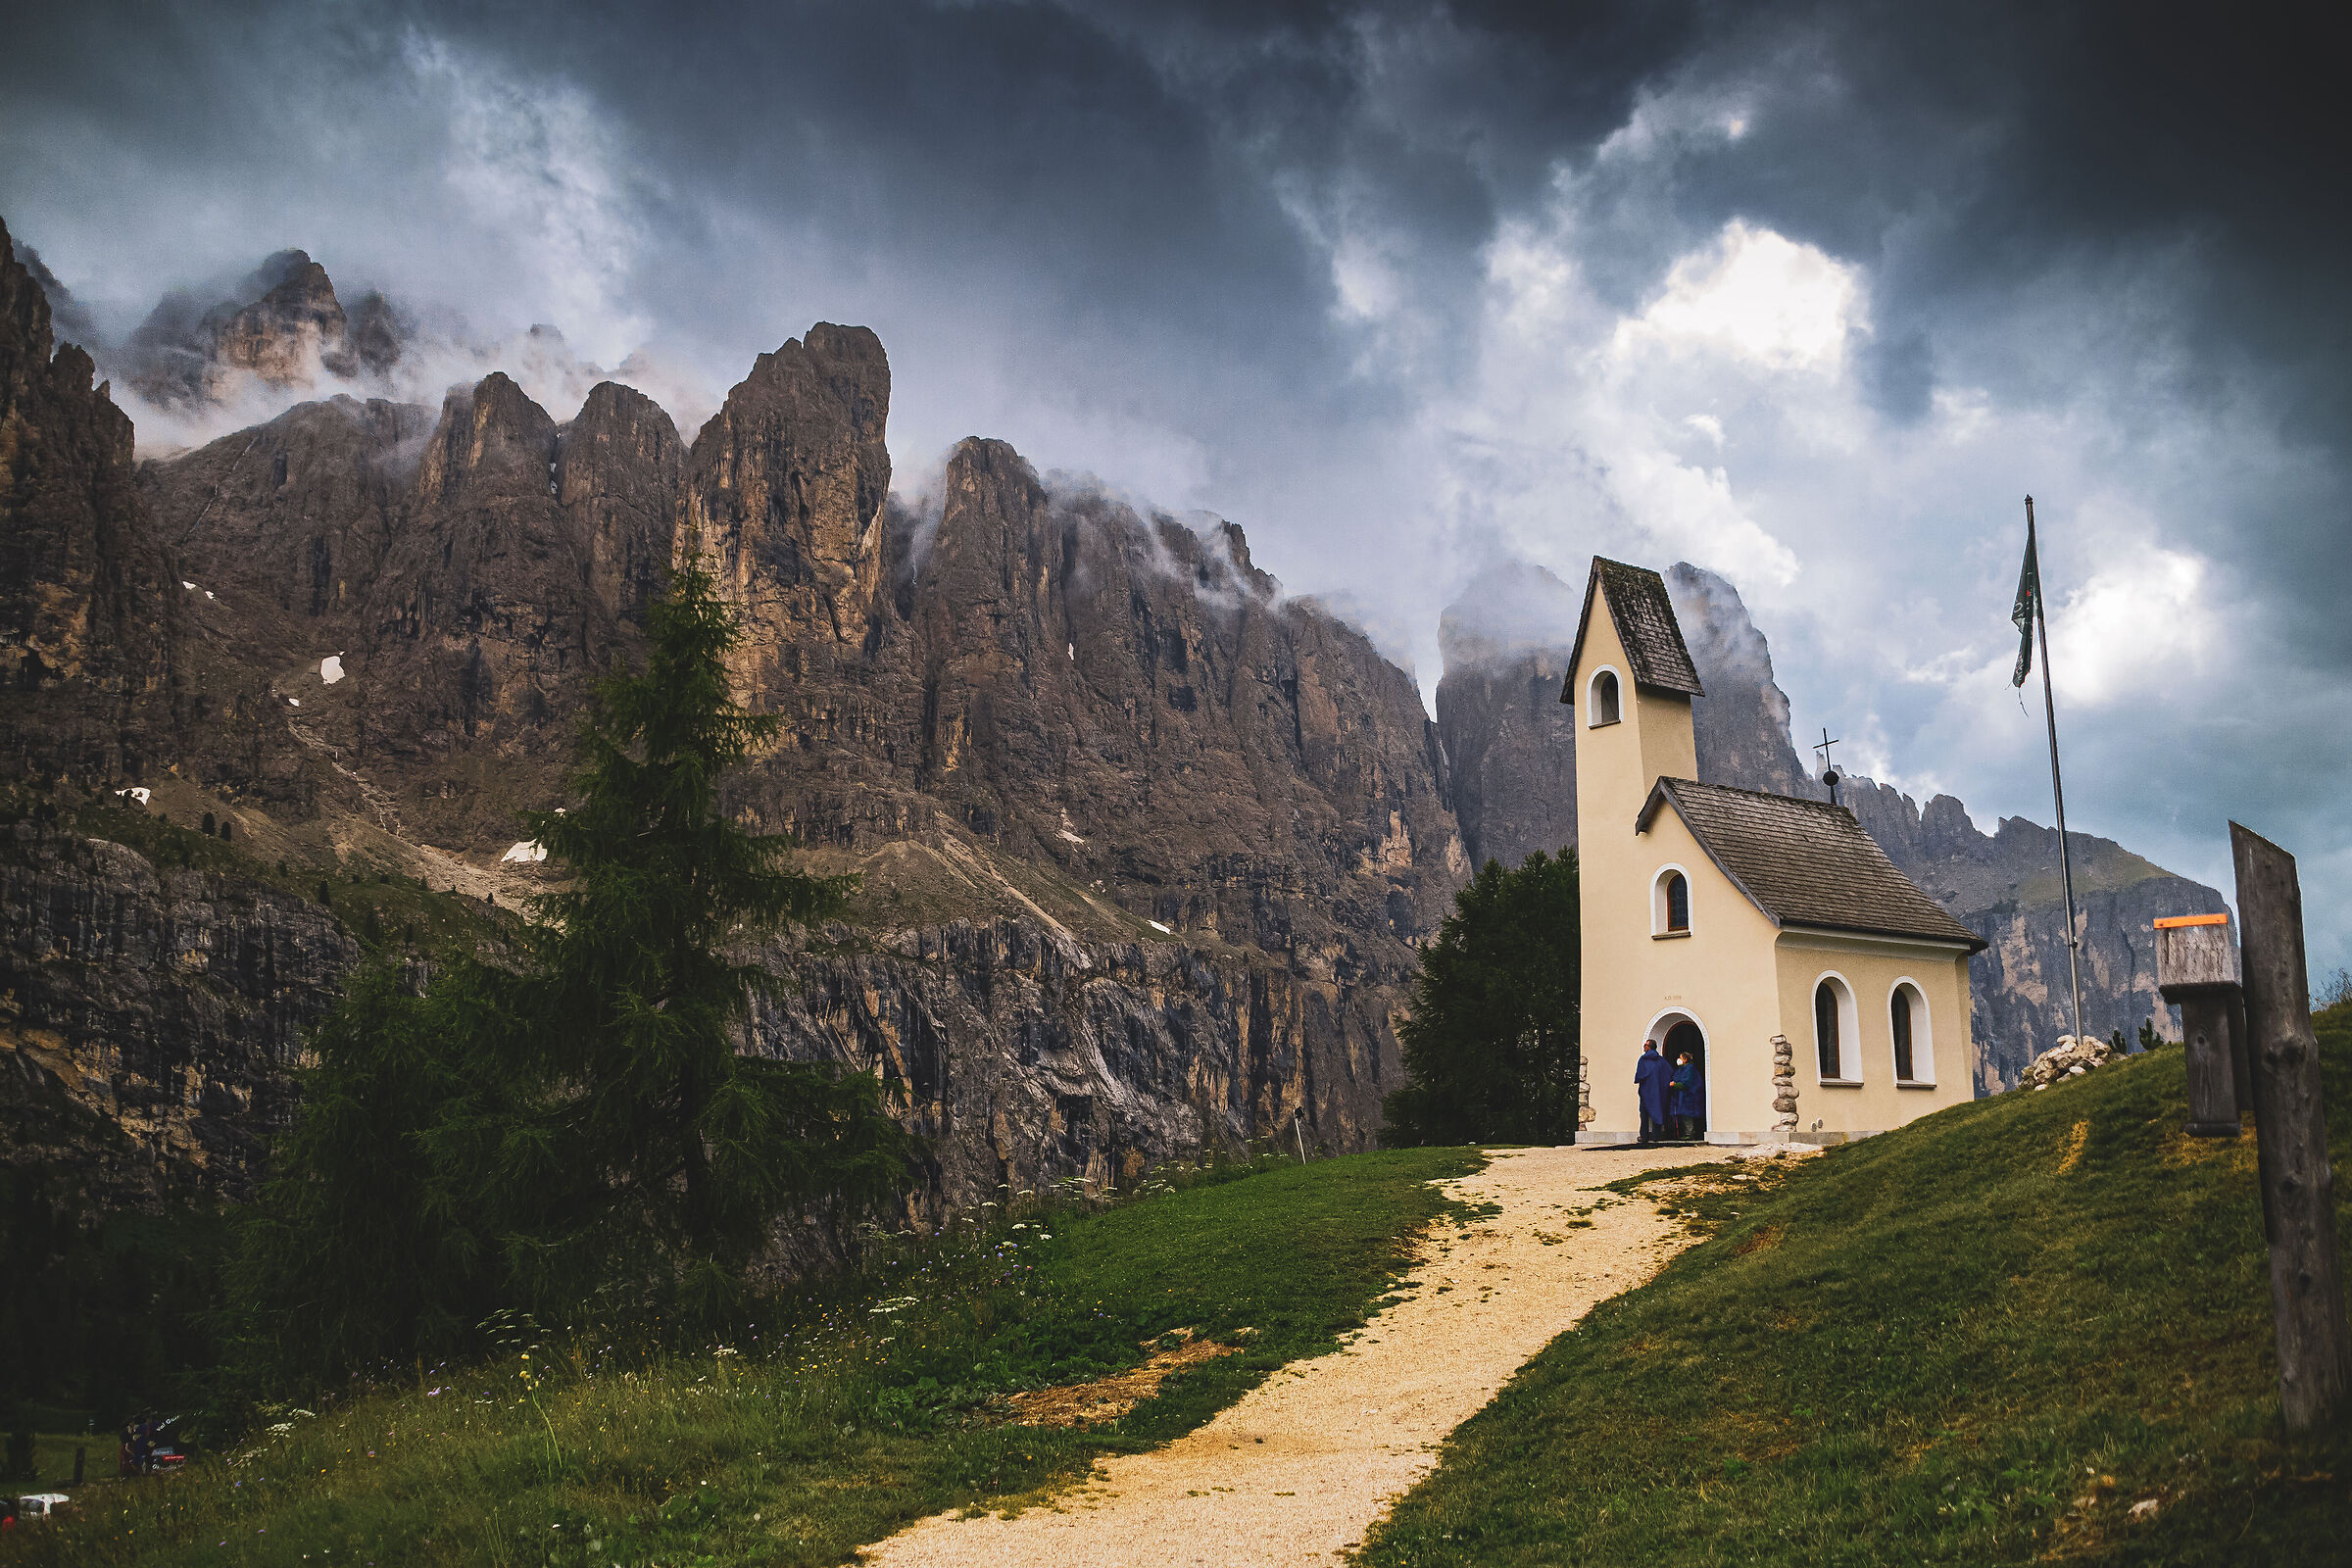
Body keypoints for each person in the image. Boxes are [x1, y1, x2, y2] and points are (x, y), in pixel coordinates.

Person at [1634, 1039, 1670, 1144]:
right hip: (1658, 1092)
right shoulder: (1661, 1061)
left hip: (1646, 1091)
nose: (1644, 1047)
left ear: (1649, 1047)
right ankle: (1656, 1136)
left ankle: (1644, 1136)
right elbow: (1668, 1074)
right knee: (1657, 1112)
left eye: (1645, 1045)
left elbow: (1639, 1075)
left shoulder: (1643, 1060)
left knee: (1644, 1115)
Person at [1669, 1050, 1703, 1142]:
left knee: (1687, 1115)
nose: (1678, 1059)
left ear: (1685, 1059)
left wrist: (1674, 1085)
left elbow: (1686, 1083)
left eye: (1680, 1057)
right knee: (1684, 1115)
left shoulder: (1689, 1069)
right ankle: (1687, 1132)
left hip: (1688, 1096)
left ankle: (1690, 1133)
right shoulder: (1683, 1069)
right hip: (1683, 1096)